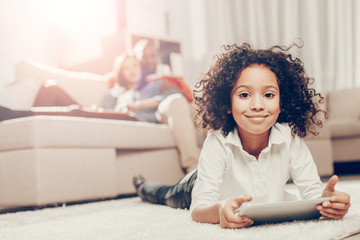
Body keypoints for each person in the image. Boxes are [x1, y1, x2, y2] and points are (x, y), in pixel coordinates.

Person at [132, 42, 351, 228]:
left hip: (219, 177)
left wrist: (328, 202)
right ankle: (143, 186)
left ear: (282, 102)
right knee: (166, 195)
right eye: (244, 94)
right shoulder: (218, 139)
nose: (257, 105)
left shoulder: (289, 138)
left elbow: (313, 193)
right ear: (227, 104)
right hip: (195, 183)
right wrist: (219, 210)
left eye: (268, 94)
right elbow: (198, 208)